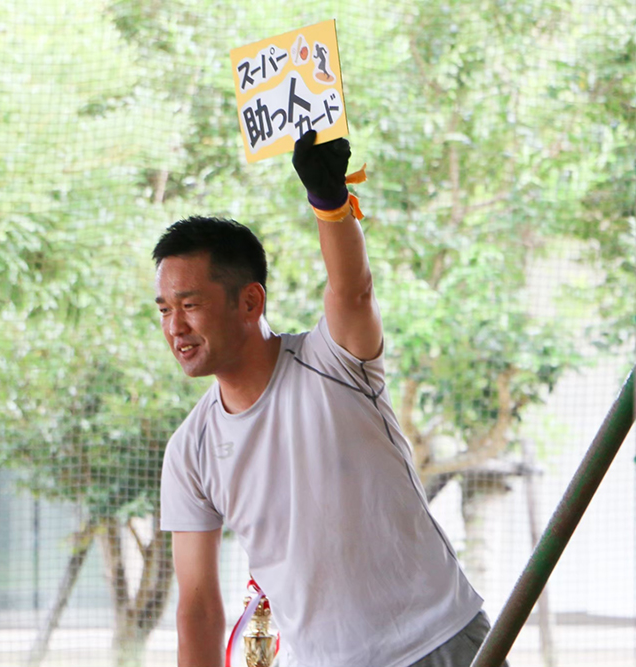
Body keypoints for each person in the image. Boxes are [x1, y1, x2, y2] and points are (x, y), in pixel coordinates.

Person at [153, 130, 498, 667]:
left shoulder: (332, 361)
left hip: (439, 643)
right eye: (164, 310)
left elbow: (352, 290)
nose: (175, 326)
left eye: (190, 305)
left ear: (250, 302)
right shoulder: (189, 450)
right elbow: (196, 608)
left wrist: (330, 201)